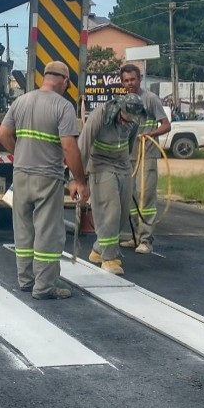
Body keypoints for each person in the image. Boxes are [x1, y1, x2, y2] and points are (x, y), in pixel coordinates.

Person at [0, 60, 89, 300]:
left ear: (45, 78)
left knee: (24, 230)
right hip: (47, 177)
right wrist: (80, 181)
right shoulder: (64, 107)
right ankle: (44, 287)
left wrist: (19, 154)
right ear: (65, 82)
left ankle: (26, 280)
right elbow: (69, 147)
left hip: (20, 175)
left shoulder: (22, 101)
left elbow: (3, 134)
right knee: (48, 233)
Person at [78, 93, 145, 275]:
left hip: (122, 165)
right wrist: (77, 179)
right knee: (111, 210)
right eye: (126, 117)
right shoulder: (100, 115)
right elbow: (83, 146)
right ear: (119, 110)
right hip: (100, 164)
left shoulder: (134, 119)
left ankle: (99, 249)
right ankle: (109, 258)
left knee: (123, 212)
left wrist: (126, 167)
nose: (128, 122)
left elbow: (130, 145)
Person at [118, 64, 170, 254]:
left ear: (139, 79)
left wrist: (150, 133)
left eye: (132, 79)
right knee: (130, 197)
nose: (129, 83)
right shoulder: (123, 101)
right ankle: (135, 237)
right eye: (126, 80)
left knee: (145, 196)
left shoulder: (150, 99)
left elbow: (166, 125)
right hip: (127, 156)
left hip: (147, 154)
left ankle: (146, 240)